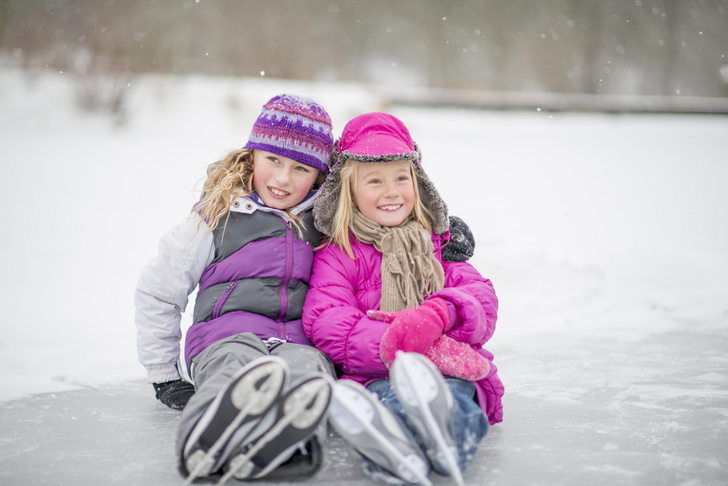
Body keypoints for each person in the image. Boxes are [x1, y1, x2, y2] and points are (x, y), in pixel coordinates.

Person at [134, 94, 338, 485]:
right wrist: (163, 373)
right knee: (232, 372)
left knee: (309, 374)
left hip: (299, 343)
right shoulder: (217, 215)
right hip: (224, 336)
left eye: (300, 168)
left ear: (320, 176)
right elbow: (159, 289)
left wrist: (440, 235)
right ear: (252, 156)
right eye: (273, 160)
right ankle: (206, 436)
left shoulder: (329, 221)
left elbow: (386, 219)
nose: (282, 178)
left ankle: (289, 444)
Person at [302, 112, 504, 486]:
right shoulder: (338, 253)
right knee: (391, 403)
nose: (391, 191)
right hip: (379, 372)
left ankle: (449, 440)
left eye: (401, 178)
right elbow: (327, 320)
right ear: (349, 188)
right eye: (375, 181)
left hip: (450, 369)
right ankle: (392, 449)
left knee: (459, 399)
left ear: (418, 182)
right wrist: (395, 344)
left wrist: (441, 315)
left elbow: (479, 297)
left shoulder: (437, 244)